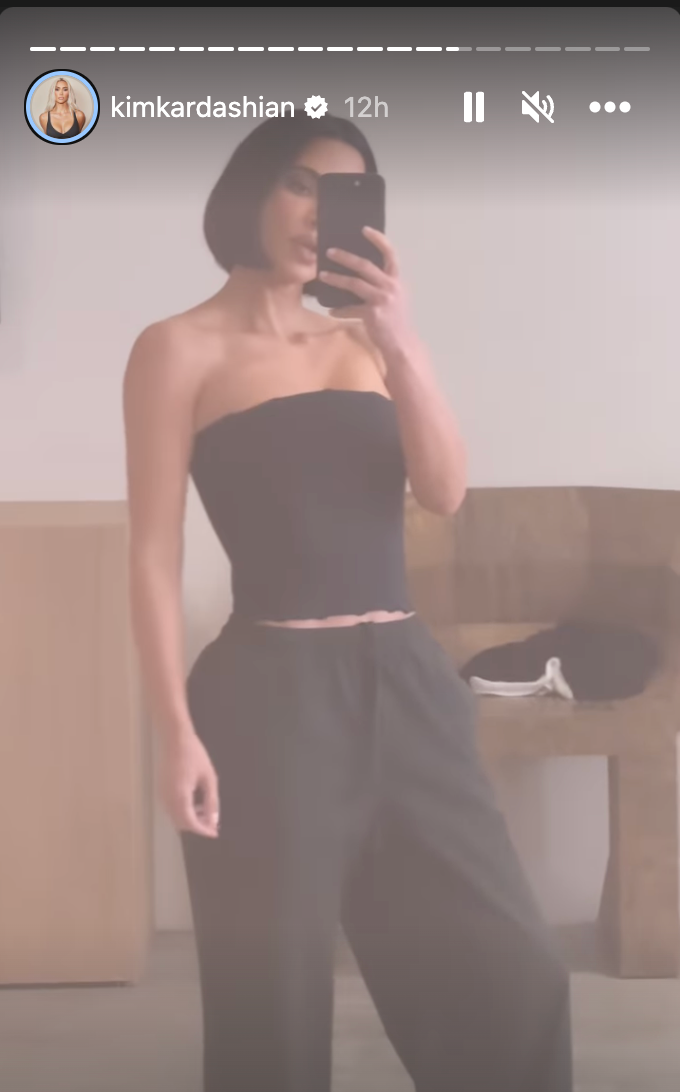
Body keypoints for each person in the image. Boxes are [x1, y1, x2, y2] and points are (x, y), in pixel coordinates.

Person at [123, 112, 573, 1092]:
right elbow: (154, 553)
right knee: (271, 1011)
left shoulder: (367, 343)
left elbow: (444, 491)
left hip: (409, 686)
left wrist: (400, 342)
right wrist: (173, 733)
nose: (315, 213)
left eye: (341, 194)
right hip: (266, 700)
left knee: (515, 981)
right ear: (251, 190)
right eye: (298, 183)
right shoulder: (176, 349)